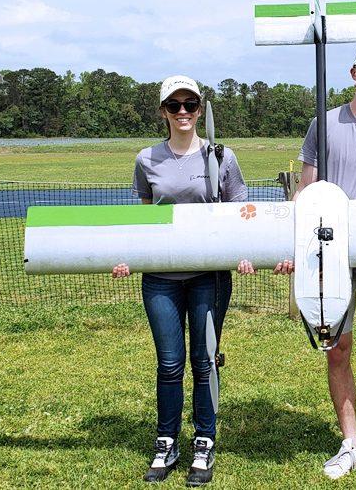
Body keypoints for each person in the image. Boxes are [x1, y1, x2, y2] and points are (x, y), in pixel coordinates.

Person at [238, 43, 356, 490]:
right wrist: (297, 248)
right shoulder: (323, 124)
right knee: (338, 351)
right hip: (328, 261)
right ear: (352, 73)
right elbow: (305, 193)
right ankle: (350, 443)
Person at [112, 75, 248, 487]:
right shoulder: (147, 159)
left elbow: (239, 211)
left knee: (204, 361)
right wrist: (127, 258)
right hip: (161, 280)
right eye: (175, 105)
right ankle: (167, 440)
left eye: (191, 104)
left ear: (200, 109)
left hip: (209, 278)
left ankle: (204, 441)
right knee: (170, 364)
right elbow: (144, 219)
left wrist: (245, 253)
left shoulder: (222, 156)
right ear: (163, 112)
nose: (184, 112)